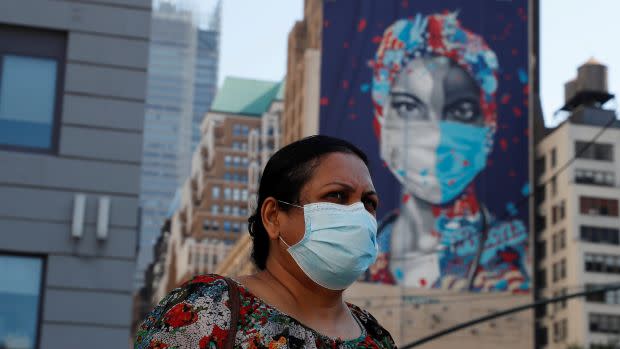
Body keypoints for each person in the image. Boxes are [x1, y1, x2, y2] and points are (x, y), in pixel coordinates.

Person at [135, 135, 396, 348]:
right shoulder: (208, 309)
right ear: (273, 217)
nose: (359, 215)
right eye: (337, 195)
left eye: (369, 203)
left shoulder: (376, 338)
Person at [367, 12, 529, 292]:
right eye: (408, 107)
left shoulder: (513, 261)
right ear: (381, 122)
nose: (435, 136)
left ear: (489, 127)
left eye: (461, 111)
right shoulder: (361, 254)